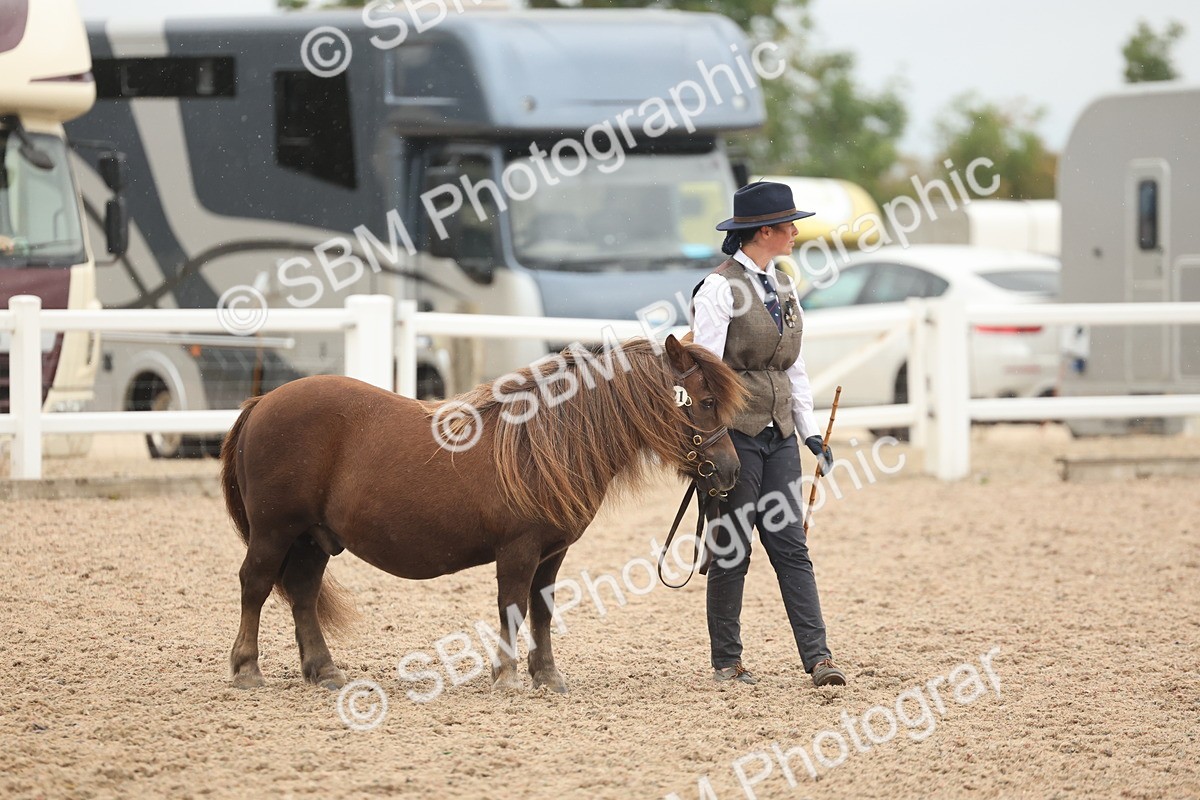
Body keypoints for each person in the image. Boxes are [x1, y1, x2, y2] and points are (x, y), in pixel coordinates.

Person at [690, 181, 846, 688]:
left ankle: (818, 658)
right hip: (736, 437)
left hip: (779, 436)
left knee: (791, 547)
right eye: (789, 225)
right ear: (764, 231)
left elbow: (792, 367)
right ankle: (727, 661)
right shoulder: (718, 289)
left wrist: (809, 433)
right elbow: (706, 371)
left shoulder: (783, 285)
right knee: (733, 548)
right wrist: (712, 440)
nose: (796, 232)